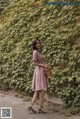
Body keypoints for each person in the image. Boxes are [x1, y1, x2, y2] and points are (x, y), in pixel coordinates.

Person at [28, 38, 49, 113]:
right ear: (34, 44)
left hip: (40, 71)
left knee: (38, 90)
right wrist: (43, 65)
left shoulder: (37, 51)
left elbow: (39, 62)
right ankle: (41, 107)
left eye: (39, 43)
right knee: (41, 89)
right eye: (37, 43)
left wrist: (44, 65)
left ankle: (31, 105)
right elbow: (34, 63)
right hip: (39, 71)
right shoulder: (35, 52)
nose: (38, 44)